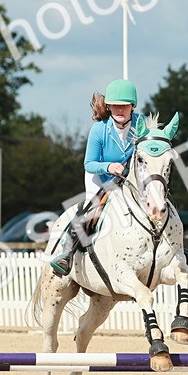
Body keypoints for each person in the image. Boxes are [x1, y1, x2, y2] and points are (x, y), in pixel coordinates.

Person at [48, 80, 146, 275]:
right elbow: (89, 164)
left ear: (132, 106)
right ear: (108, 107)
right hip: (100, 177)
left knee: (156, 199)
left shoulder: (141, 123)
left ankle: (172, 248)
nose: (120, 109)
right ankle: (67, 253)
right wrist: (109, 166)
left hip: (129, 178)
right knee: (92, 210)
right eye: (116, 105)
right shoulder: (100, 128)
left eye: (125, 105)